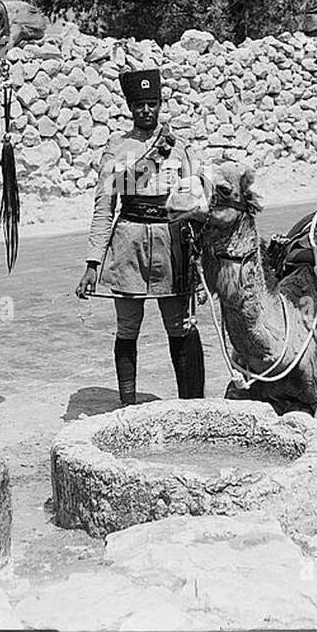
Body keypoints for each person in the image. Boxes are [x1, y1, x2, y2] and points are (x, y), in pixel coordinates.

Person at [75, 68, 205, 406]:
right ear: (131, 108)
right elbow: (104, 209)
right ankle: (128, 406)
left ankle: (191, 407)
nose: (146, 110)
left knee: (180, 326)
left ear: (160, 104)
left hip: (171, 244)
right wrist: (93, 264)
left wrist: (200, 264)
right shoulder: (117, 150)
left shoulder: (179, 150)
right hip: (129, 245)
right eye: (140, 105)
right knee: (127, 327)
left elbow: (196, 205)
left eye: (152, 103)